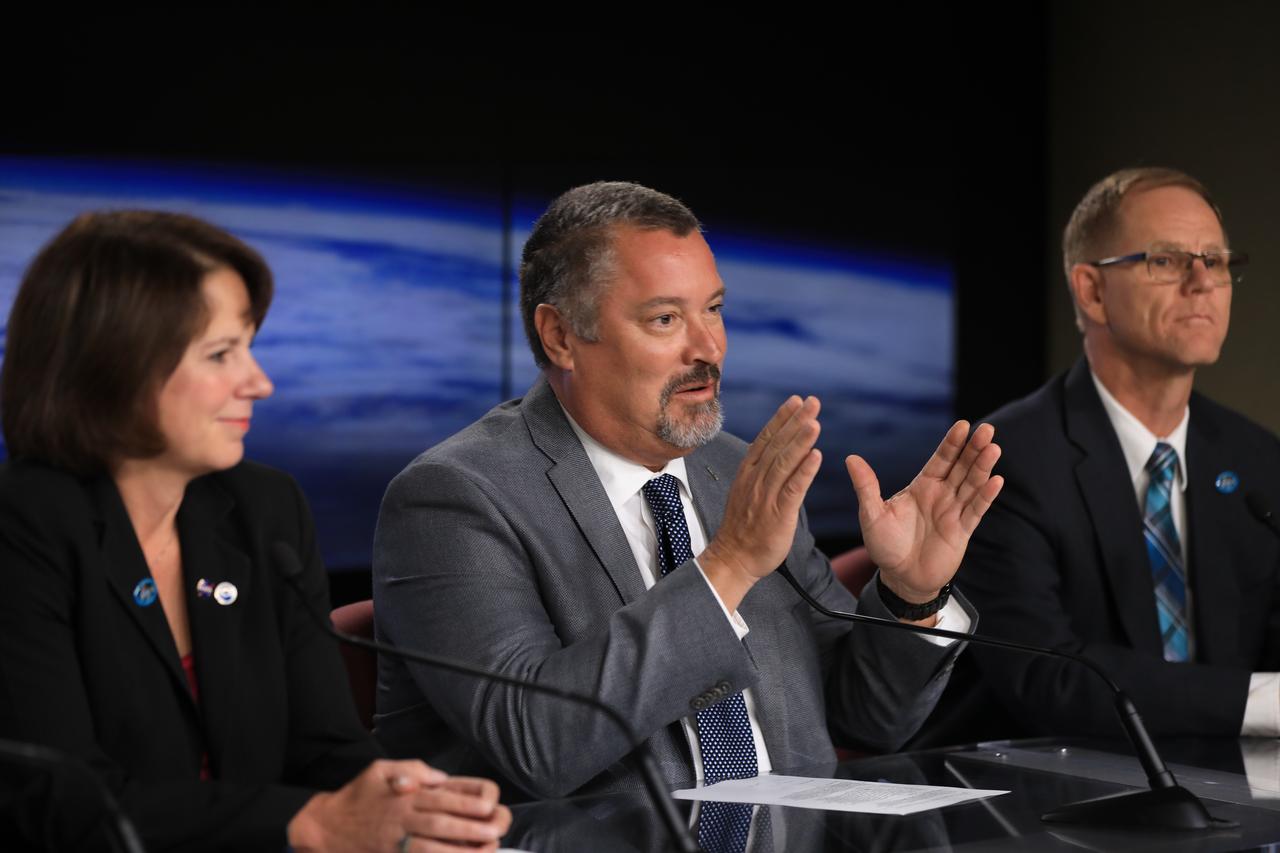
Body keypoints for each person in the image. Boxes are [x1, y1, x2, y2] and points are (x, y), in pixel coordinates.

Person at [372, 181, 1004, 803]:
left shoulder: (734, 469)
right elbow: (537, 745)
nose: (709, 348)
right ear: (561, 336)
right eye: (665, 319)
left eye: (714, 309)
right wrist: (728, 565)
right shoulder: (455, 497)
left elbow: (866, 720)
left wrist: (910, 595)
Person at [0, 211, 512, 852]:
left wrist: (406, 809)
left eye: (249, 347)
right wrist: (311, 824)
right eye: (222, 354)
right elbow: (58, 805)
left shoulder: (263, 509)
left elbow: (326, 750)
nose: (260, 383)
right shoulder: (22, 528)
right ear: (113, 365)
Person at [920, 167, 1280, 744]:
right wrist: (1261, 702)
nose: (1202, 283)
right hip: (1053, 782)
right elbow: (1048, 679)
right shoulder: (1004, 458)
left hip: (1234, 780)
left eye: (1215, 261)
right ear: (1091, 291)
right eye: (1166, 260)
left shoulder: (1257, 459)